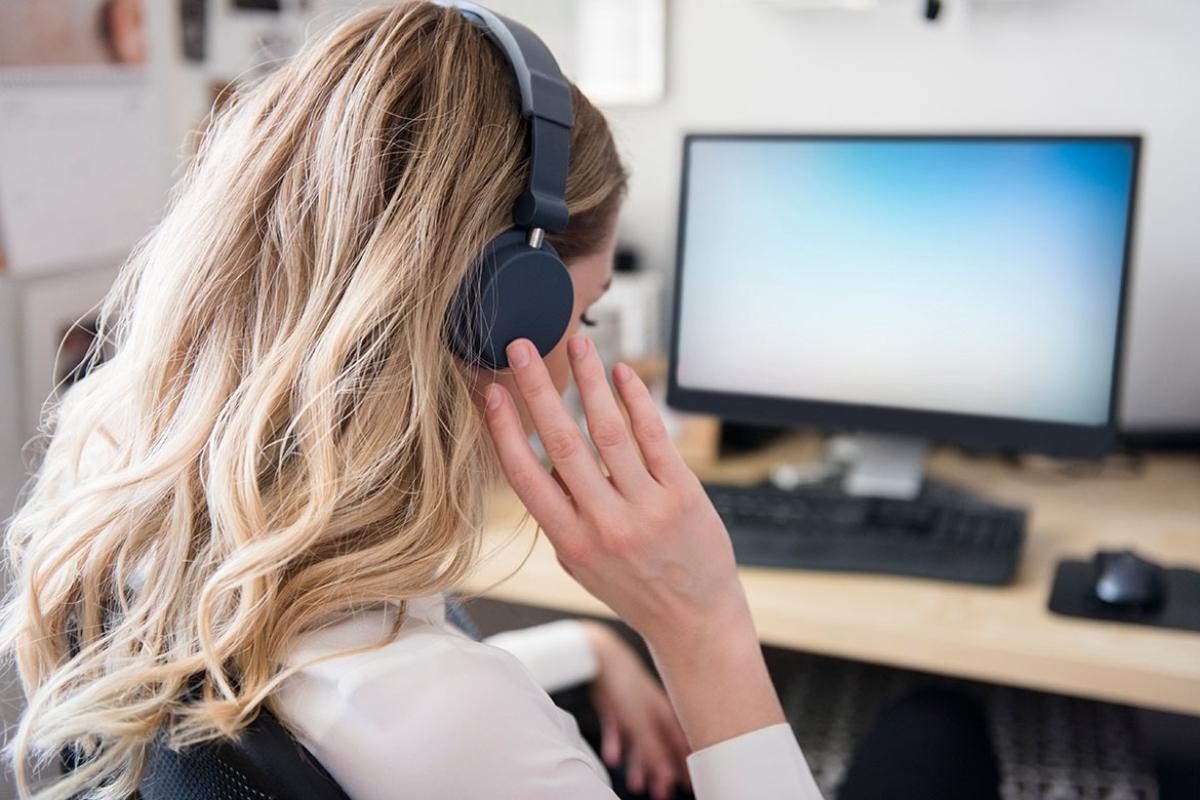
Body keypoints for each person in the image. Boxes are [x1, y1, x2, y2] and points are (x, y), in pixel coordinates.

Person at [0, 3, 820, 799]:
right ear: (504, 310)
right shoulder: (466, 728)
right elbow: (434, 722)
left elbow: (359, 700)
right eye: (586, 311)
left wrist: (589, 644)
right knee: (932, 729)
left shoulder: (105, 460)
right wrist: (705, 631)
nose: (581, 355)